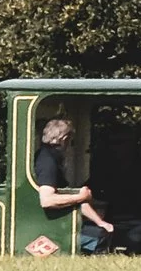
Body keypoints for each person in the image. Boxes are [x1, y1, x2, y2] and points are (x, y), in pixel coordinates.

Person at [32, 109, 116, 254]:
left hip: (58, 221)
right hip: (51, 226)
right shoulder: (47, 162)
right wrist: (80, 196)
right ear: (64, 139)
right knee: (98, 237)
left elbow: (77, 201)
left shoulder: (51, 157)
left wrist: (101, 222)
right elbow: (47, 200)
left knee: (102, 231)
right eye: (70, 141)